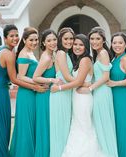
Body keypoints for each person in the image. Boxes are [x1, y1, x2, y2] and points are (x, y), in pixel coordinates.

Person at [0, 25, 45, 157]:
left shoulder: (0, 48)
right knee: (1, 124)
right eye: (11, 36)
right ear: (5, 38)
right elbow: (15, 79)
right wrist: (34, 87)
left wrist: (1, 74)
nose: (15, 38)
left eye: (16, 35)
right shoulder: (9, 53)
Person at [51, 34, 106, 157]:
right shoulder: (79, 60)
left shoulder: (85, 60)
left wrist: (59, 88)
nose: (77, 47)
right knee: (78, 124)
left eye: (81, 45)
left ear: (86, 47)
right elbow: (80, 81)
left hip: (83, 98)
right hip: (77, 96)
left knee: (83, 126)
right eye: (75, 44)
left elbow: (79, 82)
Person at [80, 27, 118, 157]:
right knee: (99, 124)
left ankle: (110, 153)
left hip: (102, 93)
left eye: (97, 39)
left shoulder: (103, 53)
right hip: (98, 91)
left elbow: (105, 76)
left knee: (104, 124)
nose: (94, 41)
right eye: (92, 39)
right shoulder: (97, 54)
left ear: (103, 40)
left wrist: (90, 88)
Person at [10, 27, 41, 157]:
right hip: (26, 94)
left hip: (32, 92)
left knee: (31, 124)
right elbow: (20, 77)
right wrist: (37, 83)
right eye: (31, 40)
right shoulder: (23, 54)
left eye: (36, 40)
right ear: (24, 40)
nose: (34, 42)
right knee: (25, 126)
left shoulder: (30, 52)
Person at [32, 29, 59, 157]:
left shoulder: (52, 55)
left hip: (48, 95)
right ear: (43, 42)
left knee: (49, 127)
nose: (52, 42)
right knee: (45, 127)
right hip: (44, 95)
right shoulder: (46, 57)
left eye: (54, 39)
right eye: (49, 40)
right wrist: (51, 80)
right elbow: (35, 77)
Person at [49, 27, 75, 157]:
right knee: (60, 127)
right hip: (60, 94)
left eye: (71, 38)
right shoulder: (61, 53)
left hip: (66, 91)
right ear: (60, 39)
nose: (69, 41)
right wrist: (86, 81)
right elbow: (67, 76)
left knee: (66, 126)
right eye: (66, 38)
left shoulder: (66, 53)